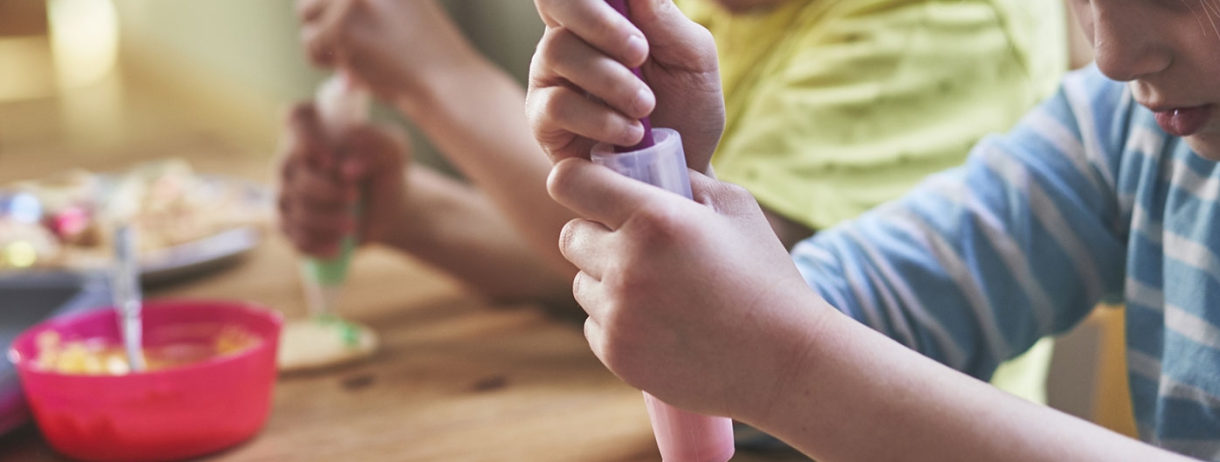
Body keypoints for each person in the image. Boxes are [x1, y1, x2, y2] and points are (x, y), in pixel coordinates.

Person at [530, 0, 1220, 459]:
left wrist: (788, 367)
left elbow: (784, 353)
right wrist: (678, 191)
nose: (1112, 54)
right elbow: (808, 319)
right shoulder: (1124, 132)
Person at [284, 0, 1069, 402]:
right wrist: (415, 213)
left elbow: (722, 303)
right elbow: (628, 278)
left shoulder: (947, 21)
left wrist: (440, 79)